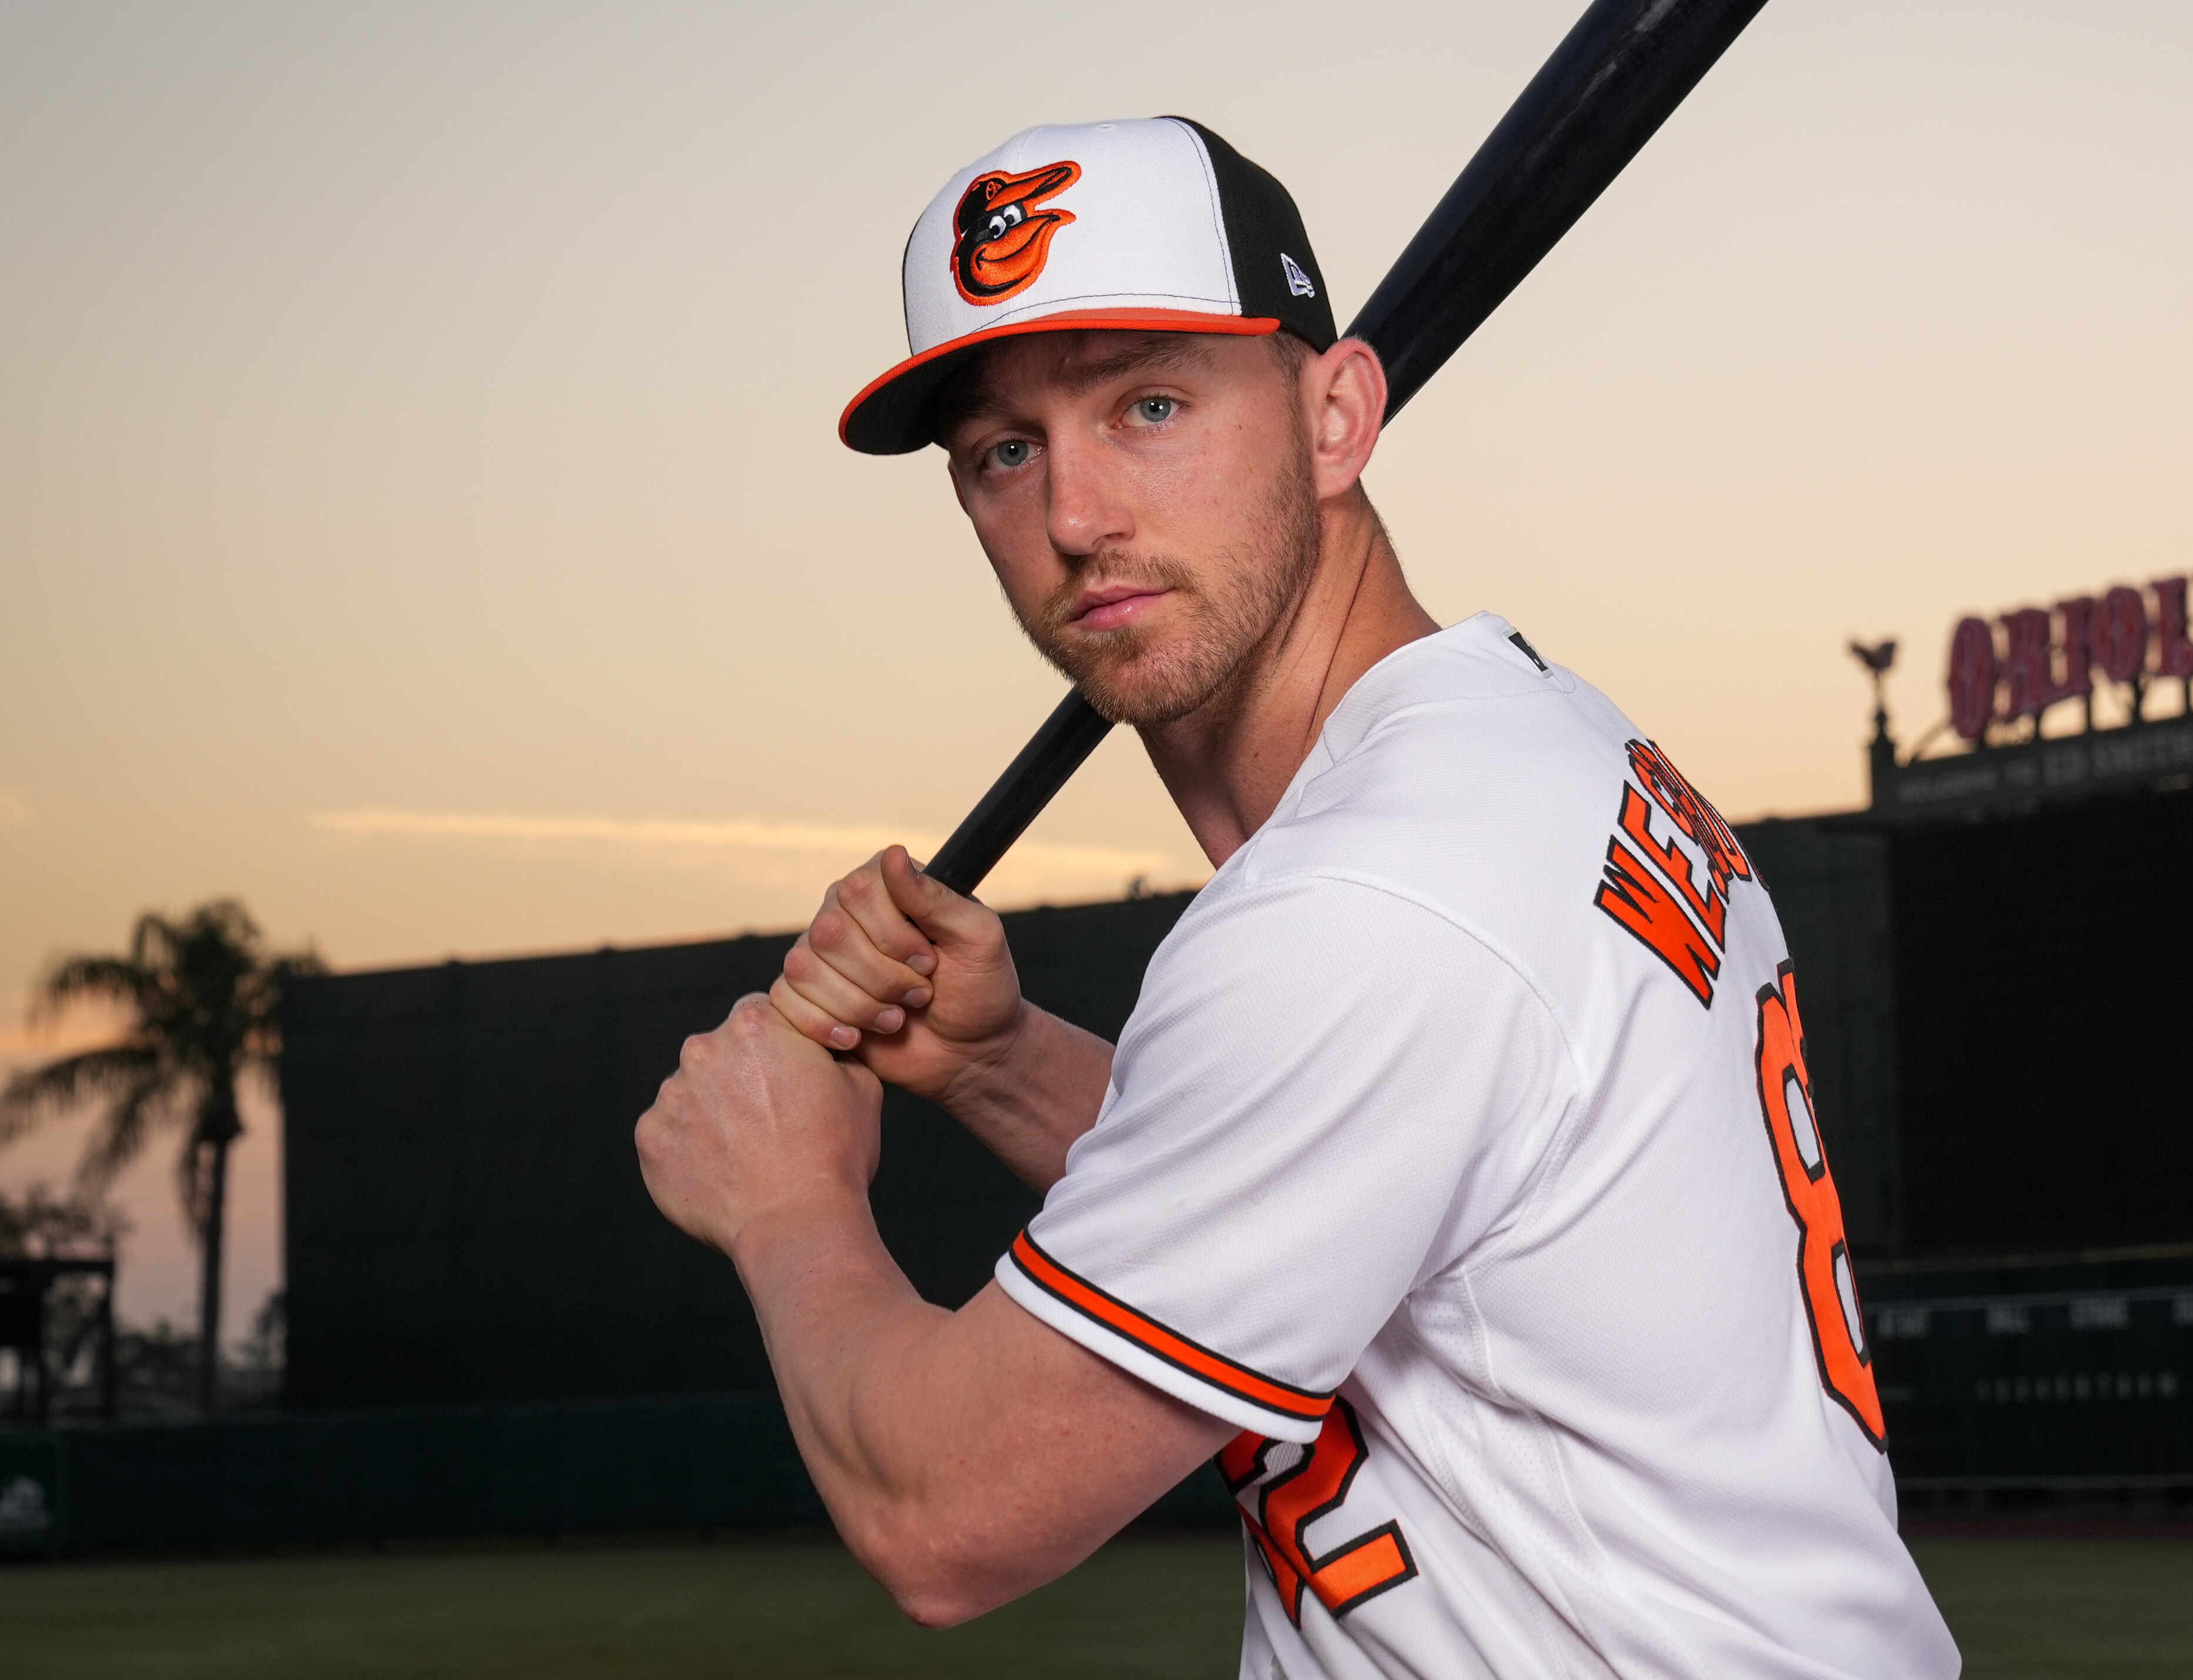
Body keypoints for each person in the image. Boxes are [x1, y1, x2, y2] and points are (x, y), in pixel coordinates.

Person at [636, 117, 1958, 1678]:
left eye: (1149, 402)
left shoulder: (1371, 897)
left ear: (1337, 418)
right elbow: (1378, 1198)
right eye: (1005, 449)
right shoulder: (1527, 747)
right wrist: (997, 1061)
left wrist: (787, 1201)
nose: (1075, 517)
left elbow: (948, 1515)